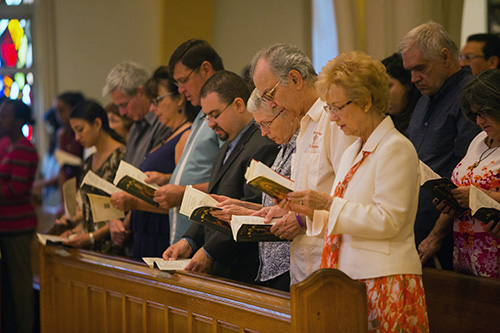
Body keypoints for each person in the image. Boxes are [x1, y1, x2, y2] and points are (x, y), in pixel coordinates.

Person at [281, 51, 429, 331]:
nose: (333, 118)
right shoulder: (352, 151)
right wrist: (311, 211)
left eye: (338, 107)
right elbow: (344, 217)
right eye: (329, 108)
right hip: (349, 279)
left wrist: (327, 204)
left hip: (385, 279)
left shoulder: (395, 147)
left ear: (366, 101)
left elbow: (389, 219)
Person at [251, 43, 355, 284]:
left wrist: (300, 219)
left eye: (269, 94)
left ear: (296, 79)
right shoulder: (304, 124)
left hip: (330, 266)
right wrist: (286, 209)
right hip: (302, 267)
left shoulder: (334, 119)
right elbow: (310, 189)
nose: (271, 105)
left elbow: (348, 193)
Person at [163, 71, 279, 285]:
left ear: (238, 105)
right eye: (206, 116)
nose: (210, 124)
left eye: (215, 114)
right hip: (223, 270)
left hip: (244, 270)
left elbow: (253, 208)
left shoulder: (262, 144)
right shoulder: (226, 145)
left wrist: (209, 252)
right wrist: (189, 240)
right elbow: (212, 201)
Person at [399, 21, 481, 269]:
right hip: (415, 228)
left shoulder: (469, 95)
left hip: (450, 236)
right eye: (409, 71)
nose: (414, 78)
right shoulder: (425, 98)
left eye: (420, 68)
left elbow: (467, 178)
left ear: (445, 57)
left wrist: (436, 235)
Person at [209, 88, 300, 291]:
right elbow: (275, 205)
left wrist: (247, 214)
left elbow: (299, 209)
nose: (263, 133)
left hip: (291, 262)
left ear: (283, 112)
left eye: (266, 124)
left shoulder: (300, 147)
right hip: (271, 264)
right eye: (259, 126)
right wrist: (240, 205)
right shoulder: (284, 146)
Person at [110, 67, 195, 260]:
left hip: (161, 230)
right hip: (143, 228)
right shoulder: (167, 134)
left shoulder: (186, 135)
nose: (152, 108)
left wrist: (133, 202)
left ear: (179, 98)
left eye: (157, 101)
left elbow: (179, 195)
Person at [150, 39, 222, 244]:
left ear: (206, 69)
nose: (180, 90)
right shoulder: (202, 114)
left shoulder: (221, 115)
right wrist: (167, 179)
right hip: (185, 234)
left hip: (205, 237)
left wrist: (182, 192)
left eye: (183, 81)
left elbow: (226, 181)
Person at [433, 69, 500, 278]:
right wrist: (451, 200)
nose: (479, 121)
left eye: (485, 112)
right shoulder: (479, 140)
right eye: (475, 114)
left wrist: (478, 196)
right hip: (465, 252)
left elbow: (476, 192)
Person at [102, 61, 170, 250]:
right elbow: (127, 176)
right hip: (135, 227)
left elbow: (150, 182)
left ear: (141, 92)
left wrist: (125, 220)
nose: (122, 112)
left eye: (124, 104)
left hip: (156, 227)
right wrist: (114, 219)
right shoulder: (135, 129)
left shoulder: (163, 123)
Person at [60, 100, 126, 256]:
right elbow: (90, 213)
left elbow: (122, 213)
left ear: (97, 123)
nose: (77, 137)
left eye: (80, 130)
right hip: (90, 248)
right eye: (74, 131)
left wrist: (90, 237)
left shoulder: (121, 156)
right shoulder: (89, 161)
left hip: (114, 248)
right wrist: (74, 232)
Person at [0, 99, 39, 333]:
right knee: (7, 285)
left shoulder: (25, 148)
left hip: (18, 226)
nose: (1, 120)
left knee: (21, 285)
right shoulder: (5, 143)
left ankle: (26, 328)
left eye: (5, 116)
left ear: (19, 121)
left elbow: (17, 188)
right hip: (4, 224)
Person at [381, 53, 421, 134]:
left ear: (407, 85)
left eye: (389, 86)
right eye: (381, 88)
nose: (383, 95)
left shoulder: (420, 119)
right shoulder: (383, 122)